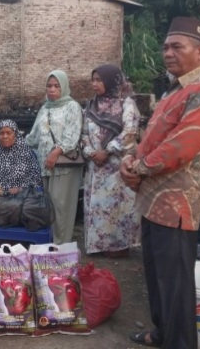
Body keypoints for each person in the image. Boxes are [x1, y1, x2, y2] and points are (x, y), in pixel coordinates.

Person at [121, 17, 200, 349]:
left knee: (176, 285)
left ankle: (178, 342)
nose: (168, 53)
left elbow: (180, 147)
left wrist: (137, 167)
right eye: (166, 46)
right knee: (156, 277)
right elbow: (153, 135)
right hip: (154, 201)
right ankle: (162, 333)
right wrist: (131, 159)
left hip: (178, 204)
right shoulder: (175, 89)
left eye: (176, 47)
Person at [81, 65, 141, 257]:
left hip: (116, 167)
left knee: (116, 209)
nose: (95, 84)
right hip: (95, 168)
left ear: (111, 81)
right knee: (97, 208)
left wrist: (107, 151)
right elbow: (82, 135)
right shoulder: (91, 105)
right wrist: (91, 152)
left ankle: (117, 247)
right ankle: (98, 245)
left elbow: (130, 132)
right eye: (93, 80)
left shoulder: (126, 103)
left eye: (99, 80)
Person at [25, 70, 83, 244]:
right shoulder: (45, 108)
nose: (52, 90)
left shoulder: (72, 107)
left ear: (64, 87)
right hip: (46, 166)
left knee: (61, 206)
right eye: (49, 86)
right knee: (48, 206)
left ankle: (61, 246)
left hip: (63, 166)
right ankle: (49, 243)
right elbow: (34, 136)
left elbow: (72, 136)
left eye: (56, 86)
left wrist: (55, 153)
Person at [0, 119, 42, 194]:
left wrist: (20, 189)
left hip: (20, 199)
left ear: (15, 134)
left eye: (8, 133)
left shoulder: (25, 153)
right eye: (2, 133)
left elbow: (36, 179)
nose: (5, 136)